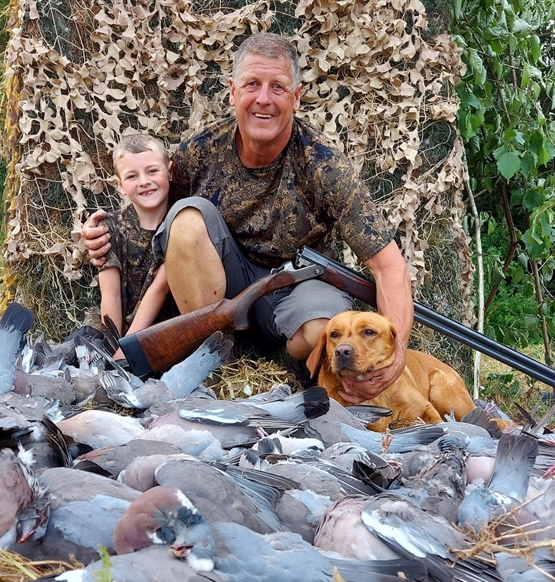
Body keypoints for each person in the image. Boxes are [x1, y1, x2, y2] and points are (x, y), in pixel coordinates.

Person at [82, 33, 413, 403]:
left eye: (278, 87)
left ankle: (278, 365)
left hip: (296, 289)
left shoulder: (326, 166)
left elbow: (389, 268)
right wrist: (106, 232)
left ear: (297, 97)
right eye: (252, 84)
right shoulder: (201, 151)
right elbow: (155, 214)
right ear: (232, 91)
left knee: (323, 326)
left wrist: (397, 357)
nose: (264, 99)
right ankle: (211, 356)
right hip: (219, 287)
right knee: (187, 220)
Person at [95, 132, 174, 337]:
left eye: (152, 171)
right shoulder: (109, 227)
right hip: (122, 332)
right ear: (120, 185)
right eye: (132, 176)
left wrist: (128, 348)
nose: (144, 181)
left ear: (170, 172)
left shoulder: (181, 223)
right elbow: (110, 295)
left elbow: (161, 289)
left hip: (168, 332)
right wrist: (112, 349)